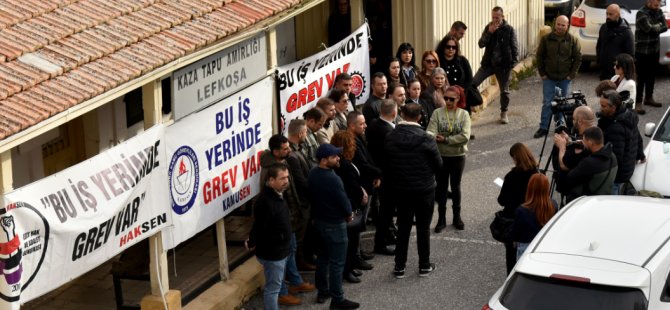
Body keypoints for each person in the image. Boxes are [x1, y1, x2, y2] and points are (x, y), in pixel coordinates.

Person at [385, 103, 442, 279]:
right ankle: (424, 265)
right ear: (419, 117)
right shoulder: (426, 138)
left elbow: (387, 163)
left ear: (402, 115)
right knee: (423, 229)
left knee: (403, 227)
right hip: (424, 190)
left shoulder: (390, 136)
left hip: (401, 191)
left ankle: (399, 267)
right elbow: (438, 165)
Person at [259, 135, 315, 306]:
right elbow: (270, 205)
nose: (289, 150)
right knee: (281, 259)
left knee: (291, 249)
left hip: (289, 217)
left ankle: (296, 281)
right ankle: (282, 292)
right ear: (275, 152)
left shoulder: (285, 161)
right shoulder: (270, 171)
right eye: (285, 148)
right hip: (280, 225)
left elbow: (290, 193)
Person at [308, 144, 360, 309]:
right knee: (337, 263)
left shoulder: (313, 173)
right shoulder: (333, 178)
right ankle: (337, 299)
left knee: (323, 258)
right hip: (334, 224)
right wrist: (348, 214)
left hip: (319, 223)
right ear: (324, 160)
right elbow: (343, 202)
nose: (338, 158)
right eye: (334, 157)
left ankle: (323, 291)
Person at [246, 163, 292, 310]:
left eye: (287, 177)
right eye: (282, 178)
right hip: (274, 253)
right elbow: (259, 226)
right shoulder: (265, 201)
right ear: (271, 180)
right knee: (273, 289)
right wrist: (252, 242)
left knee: (277, 285)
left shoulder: (277, 194)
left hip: (280, 249)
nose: (286, 181)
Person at [427, 86, 471, 232]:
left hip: (457, 156)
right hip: (441, 157)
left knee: (456, 186)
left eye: (451, 99)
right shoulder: (437, 113)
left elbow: (465, 137)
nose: (448, 101)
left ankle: (457, 217)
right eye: (445, 98)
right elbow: (430, 132)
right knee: (441, 187)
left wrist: (446, 140)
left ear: (458, 99)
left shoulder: (464, 114)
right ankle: (441, 219)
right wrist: (435, 137)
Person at [331, 131, 368, 284]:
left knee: (352, 241)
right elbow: (351, 185)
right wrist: (361, 193)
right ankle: (347, 271)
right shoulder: (344, 165)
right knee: (350, 242)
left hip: (351, 203)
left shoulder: (344, 162)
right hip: (349, 206)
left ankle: (350, 267)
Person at [535, 15, 581, 139]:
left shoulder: (572, 40)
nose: (560, 27)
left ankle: (559, 127)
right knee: (547, 103)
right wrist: (542, 73)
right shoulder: (546, 39)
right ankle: (543, 127)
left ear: (567, 26)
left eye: (563, 25)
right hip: (549, 78)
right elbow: (539, 57)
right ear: (555, 24)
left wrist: (571, 75)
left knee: (562, 103)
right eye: (558, 24)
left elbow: (577, 58)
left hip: (564, 79)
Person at [472, 6, 519, 124]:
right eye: (493, 17)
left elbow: (515, 48)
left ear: (502, 17)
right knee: (473, 83)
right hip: (488, 64)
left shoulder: (509, 29)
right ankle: (472, 105)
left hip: (503, 66)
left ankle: (504, 112)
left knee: (505, 91)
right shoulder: (489, 28)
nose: (495, 19)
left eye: (497, 17)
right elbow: (481, 44)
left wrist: (512, 63)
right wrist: (489, 32)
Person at [497, 143, 538, 273]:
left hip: (512, 220)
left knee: (511, 258)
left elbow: (501, 200)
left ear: (516, 158)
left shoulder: (511, 176)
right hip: (531, 219)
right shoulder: (536, 173)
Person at [597, 90, 645, 195]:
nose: (600, 109)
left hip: (617, 177)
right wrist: (640, 154)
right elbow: (638, 138)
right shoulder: (628, 116)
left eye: (604, 106)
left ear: (613, 108)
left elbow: (615, 158)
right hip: (627, 170)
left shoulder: (616, 128)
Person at [365, 100, 397, 255]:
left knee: (385, 210)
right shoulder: (388, 132)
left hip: (379, 172)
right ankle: (381, 243)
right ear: (394, 113)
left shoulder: (373, 125)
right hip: (387, 176)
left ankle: (388, 236)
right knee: (387, 211)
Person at [557, 127, 618, 202]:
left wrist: (562, 148)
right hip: (603, 198)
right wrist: (570, 142)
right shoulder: (613, 156)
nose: (582, 142)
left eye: (584, 140)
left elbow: (568, 180)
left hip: (586, 201)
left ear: (590, 142)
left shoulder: (589, 164)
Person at [286, 119, 316, 271]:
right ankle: (299, 263)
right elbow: (300, 182)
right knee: (300, 235)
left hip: (305, 200)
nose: (306, 135)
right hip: (301, 202)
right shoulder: (292, 155)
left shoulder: (297, 149)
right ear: (300, 133)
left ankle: (303, 259)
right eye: (305, 133)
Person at [553, 106, 597, 199]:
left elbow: (564, 165)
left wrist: (562, 147)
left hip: (577, 193)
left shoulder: (582, 145)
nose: (572, 121)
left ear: (580, 121)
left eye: (573, 119)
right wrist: (569, 141)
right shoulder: (596, 134)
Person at [509, 173, 557, 260]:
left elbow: (515, 232)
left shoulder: (522, 210)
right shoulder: (553, 205)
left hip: (526, 245)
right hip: (544, 245)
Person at [635, 0, 668, 110]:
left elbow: (665, 27)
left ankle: (649, 98)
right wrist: (659, 24)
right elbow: (648, 29)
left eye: (659, 1)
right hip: (642, 50)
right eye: (656, 1)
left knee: (652, 75)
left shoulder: (659, 11)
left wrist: (657, 26)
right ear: (648, 1)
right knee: (641, 77)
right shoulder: (641, 13)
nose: (658, 4)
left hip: (654, 49)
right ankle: (638, 102)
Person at [596, 4, 634, 81]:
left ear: (618, 15)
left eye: (611, 14)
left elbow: (630, 55)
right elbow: (599, 46)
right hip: (604, 72)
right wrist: (599, 61)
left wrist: (623, 72)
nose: (608, 17)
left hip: (618, 74)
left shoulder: (626, 32)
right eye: (607, 14)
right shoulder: (603, 28)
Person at [437, 36, 474, 113]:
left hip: (461, 97)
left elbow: (469, 79)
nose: (451, 49)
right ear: (443, 47)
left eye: (454, 47)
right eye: (448, 47)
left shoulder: (462, 61)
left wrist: (461, 92)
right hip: (445, 99)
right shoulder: (438, 62)